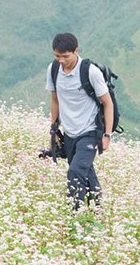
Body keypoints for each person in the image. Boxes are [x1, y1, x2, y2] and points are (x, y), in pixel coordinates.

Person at [46, 33, 114, 210]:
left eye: (65, 56)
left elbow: (107, 103)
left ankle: (75, 214)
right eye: (57, 56)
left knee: (75, 171)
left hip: (90, 132)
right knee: (85, 171)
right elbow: (55, 100)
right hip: (69, 132)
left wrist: (107, 135)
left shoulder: (90, 72)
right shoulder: (53, 70)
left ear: (76, 51)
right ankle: (97, 210)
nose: (61, 60)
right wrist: (53, 130)